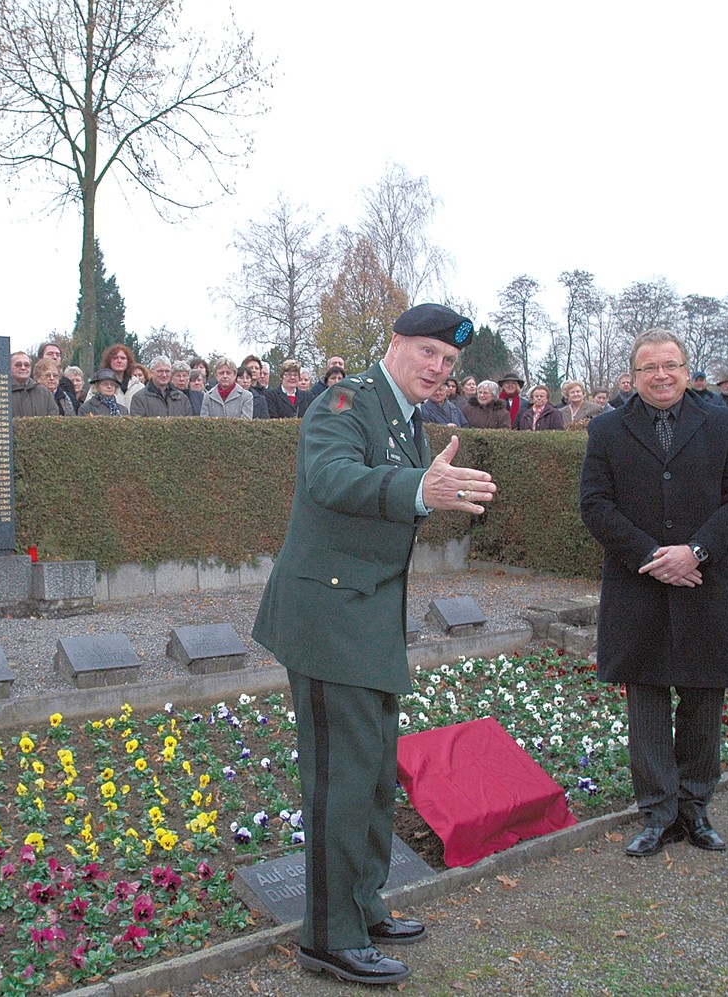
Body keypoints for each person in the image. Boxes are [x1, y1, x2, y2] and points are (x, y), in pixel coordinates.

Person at [254, 303, 497, 986]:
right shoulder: (341, 402)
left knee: (371, 771)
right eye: (428, 353)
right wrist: (420, 486)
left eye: (448, 363)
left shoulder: (405, 420)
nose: (438, 370)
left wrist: (420, 483)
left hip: (364, 618)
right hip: (329, 619)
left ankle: (361, 903)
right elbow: (332, 479)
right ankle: (328, 937)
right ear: (394, 345)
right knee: (339, 781)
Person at [580, 328, 728, 857]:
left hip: (706, 582)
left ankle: (695, 809)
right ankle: (657, 813)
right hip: (638, 586)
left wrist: (696, 550)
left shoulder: (724, 423)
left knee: (704, 700)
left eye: (671, 366)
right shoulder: (608, 429)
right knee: (648, 706)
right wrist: (653, 558)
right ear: (632, 377)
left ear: (686, 370)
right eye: (649, 368)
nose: (661, 376)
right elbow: (595, 504)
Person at [129, 355, 194, 417]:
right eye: (160, 371)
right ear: (151, 372)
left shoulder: (182, 398)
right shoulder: (139, 398)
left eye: (167, 371)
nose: (164, 375)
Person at [9, 351, 56, 418]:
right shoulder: (2, 391)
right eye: (18, 365)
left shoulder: (44, 392)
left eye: (27, 365)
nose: (23, 368)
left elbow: (54, 417)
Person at [98, 344, 142, 409]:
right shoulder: (99, 385)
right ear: (109, 361)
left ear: (128, 361)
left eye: (123, 358)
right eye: (115, 358)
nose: (119, 361)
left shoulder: (138, 386)